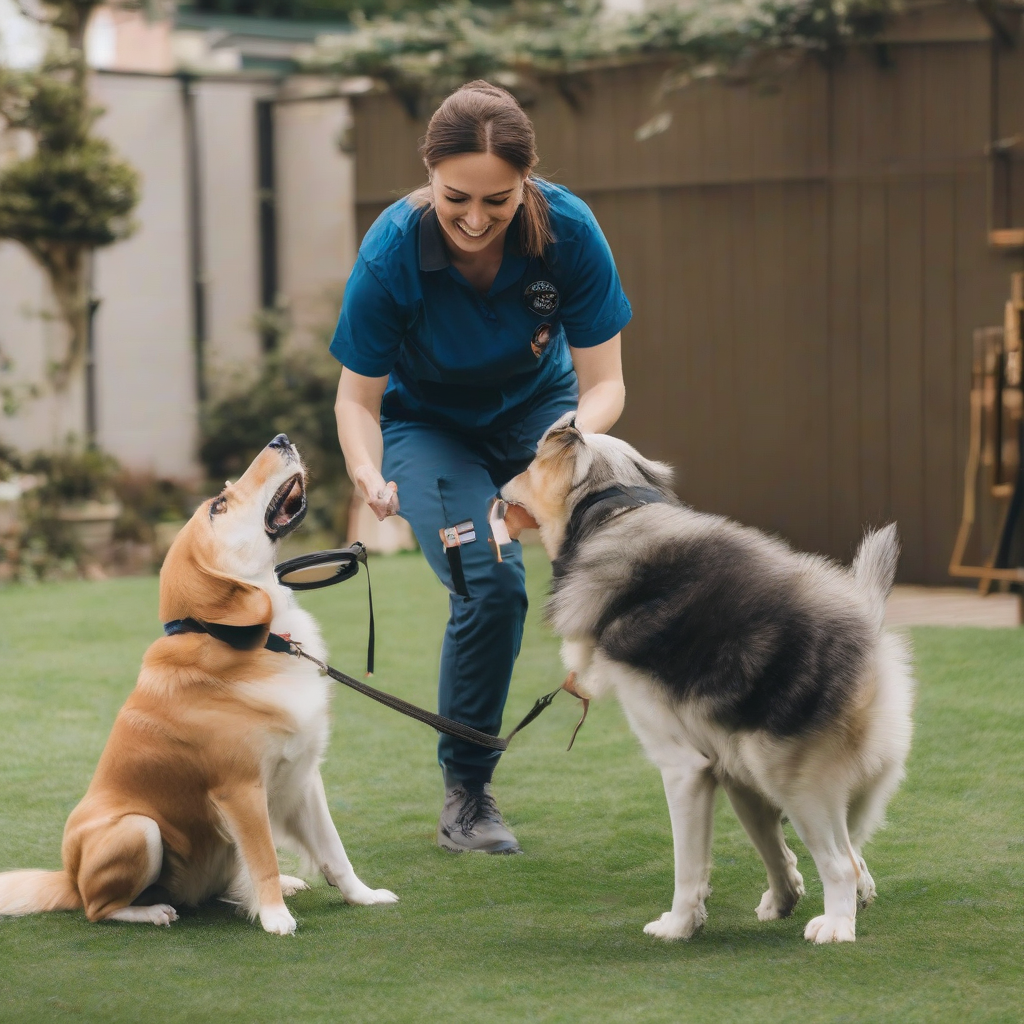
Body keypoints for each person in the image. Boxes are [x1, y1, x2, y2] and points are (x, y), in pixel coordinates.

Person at [331, 80, 630, 854]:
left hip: (543, 418)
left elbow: (608, 386)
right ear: (428, 173)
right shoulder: (393, 249)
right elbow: (356, 400)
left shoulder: (568, 231)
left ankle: (704, 729)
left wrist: (562, 443)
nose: (474, 217)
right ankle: (467, 792)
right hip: (429, 430)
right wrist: (367, 473)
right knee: (492, 585)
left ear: (526, 182)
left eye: (497, 201)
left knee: (641, 533)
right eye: (456, 196)